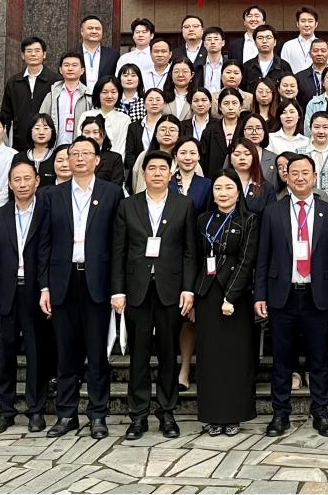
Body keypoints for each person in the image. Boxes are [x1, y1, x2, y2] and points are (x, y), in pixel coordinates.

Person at [37, 135, 123, 439]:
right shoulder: (51, 195)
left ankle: (98, 414)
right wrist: (44, 286)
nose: (80, 158)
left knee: (97, 353)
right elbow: (43, 244)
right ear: (67, 160)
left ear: (97, 160)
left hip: (97, 281)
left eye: (87, 153)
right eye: (75, 153)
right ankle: (66, 414)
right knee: (66, 352)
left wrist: (118, 288)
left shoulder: (112, 193)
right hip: (63, 280)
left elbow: (118, 244)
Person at [254, 153, 328, 437]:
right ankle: (280, 414)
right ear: (286, 177)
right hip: (283, 295)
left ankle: (321, 412)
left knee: (319, 358)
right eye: (295, 173)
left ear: (314, 177)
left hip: (317, 295)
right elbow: (263, 257)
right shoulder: (273, 211)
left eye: (306, 173)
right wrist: (260, 294)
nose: (300, 177)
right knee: (282, 359)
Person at [110, 151, 197, 440]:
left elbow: (190, 251)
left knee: (169, 354)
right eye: (152, 168)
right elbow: (119, 251)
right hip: (137, 290)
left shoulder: (183, 205)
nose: (157, 173)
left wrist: (188, 288)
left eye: (162, 168)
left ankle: (167, 412)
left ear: (171, 174)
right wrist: (118, 290)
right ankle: (138, 415)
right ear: (143, 173)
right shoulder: (128, 205)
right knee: (139, 355)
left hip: (170, 290)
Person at [0, 159, 56, 435]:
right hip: (6, 292)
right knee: (5, 354)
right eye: (17, 179)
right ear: (10, 184)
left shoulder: (47, 213)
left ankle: (35, 410)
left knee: (36, 353)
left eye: (27, 178)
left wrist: (47, 288)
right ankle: (5, 411)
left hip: (36, 291)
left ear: (37, 181)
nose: (23, 184)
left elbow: (50, 254)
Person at [195, 170, 260, 435]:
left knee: (235, 358)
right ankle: (212, 415)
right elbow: (196, 257)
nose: (223, 193)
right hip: (207, 294)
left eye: (229, 188)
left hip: (237, 296)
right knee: (209, 357)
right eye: (218, 188)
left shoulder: (249, 219)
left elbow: (246, 260)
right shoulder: (203, 220)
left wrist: (231, 296)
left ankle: (234, 415)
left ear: (238, 191)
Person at [0, 36, 58, 148]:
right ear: (23, 55)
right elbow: (6, 113)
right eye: (29, 51)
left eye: (37, 51)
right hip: (19, 142)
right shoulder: (14, 82)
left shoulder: (55, 81)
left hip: (47, 142)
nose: (33, 54)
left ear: (44, 54)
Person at [39, 52, 93, 145]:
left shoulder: (88, 96)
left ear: (82, 70)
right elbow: (41, 120)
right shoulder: (52, 95)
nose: (70, 68)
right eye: (66, 65)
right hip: (55, 146)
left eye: (74, 65)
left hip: (80, 147)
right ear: (60, 70)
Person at [124, 90, 168, 187]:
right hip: (139, 172)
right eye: (150, 100)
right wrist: (140, 169)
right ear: (144, 104)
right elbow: (130, 153)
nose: (154, 103)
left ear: (164, 104)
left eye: (158, 100)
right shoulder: (134, 127)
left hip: (163, 172)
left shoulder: (169, 126)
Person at [202, 88, 247, 176]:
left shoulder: (246, 128)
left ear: (240, 106)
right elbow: (203, 161)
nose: (230, 107)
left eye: (234, 103)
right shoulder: (210, 131)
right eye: (226, 103)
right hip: (214, 178)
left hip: (240, 177)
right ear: (220, 107)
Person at [79, 116, 126, 189]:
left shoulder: (114, 158)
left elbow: (116, 187)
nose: (91, 136)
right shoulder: (75, 156)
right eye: (87, 132)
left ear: (103, 134)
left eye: (95, 132)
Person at [228, 139, 273, 215]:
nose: (242, 158)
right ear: (230, 159)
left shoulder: (266, 187)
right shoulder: (220, 184)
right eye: (237, 154)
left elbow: (270, 217)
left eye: (247, 154)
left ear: (254, 157)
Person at [170, 137, 212, 215]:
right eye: (183, 153)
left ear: (199, 156)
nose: (188, 158)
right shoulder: (166, 183)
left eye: (192, 153)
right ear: (175, 156)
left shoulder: (207, 185)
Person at [281, 6, 326, 74]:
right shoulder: (288, 46)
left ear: (316, 24)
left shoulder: (325, 45)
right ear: (297, 24)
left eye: (310, 21)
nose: (306, 25)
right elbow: (284, 70)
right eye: (303, 21)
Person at [78, 14, 119, 87]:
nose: (94, 31)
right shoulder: (73, 54)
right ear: (82, 31)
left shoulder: (113, 55)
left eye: (97, 29)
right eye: (90, 28)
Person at [242, 24, 284, 91]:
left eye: (268, 38)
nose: (264, 41)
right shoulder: (247, 66)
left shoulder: (284, 66)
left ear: (275, 42)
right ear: (255, 42)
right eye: (260, 38)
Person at [23, 113, 58, 188]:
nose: (41, 132)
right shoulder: (19, 157)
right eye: (37, 128)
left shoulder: (57, 158)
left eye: (46, 128)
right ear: (30, 131)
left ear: (52, 131)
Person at [195, 25, 226, 95]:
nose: (212, 42)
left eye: (216, 39)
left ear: (223, 43)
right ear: (204, 44)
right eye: (209, 39)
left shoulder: (228, 65)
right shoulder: (198, 66)